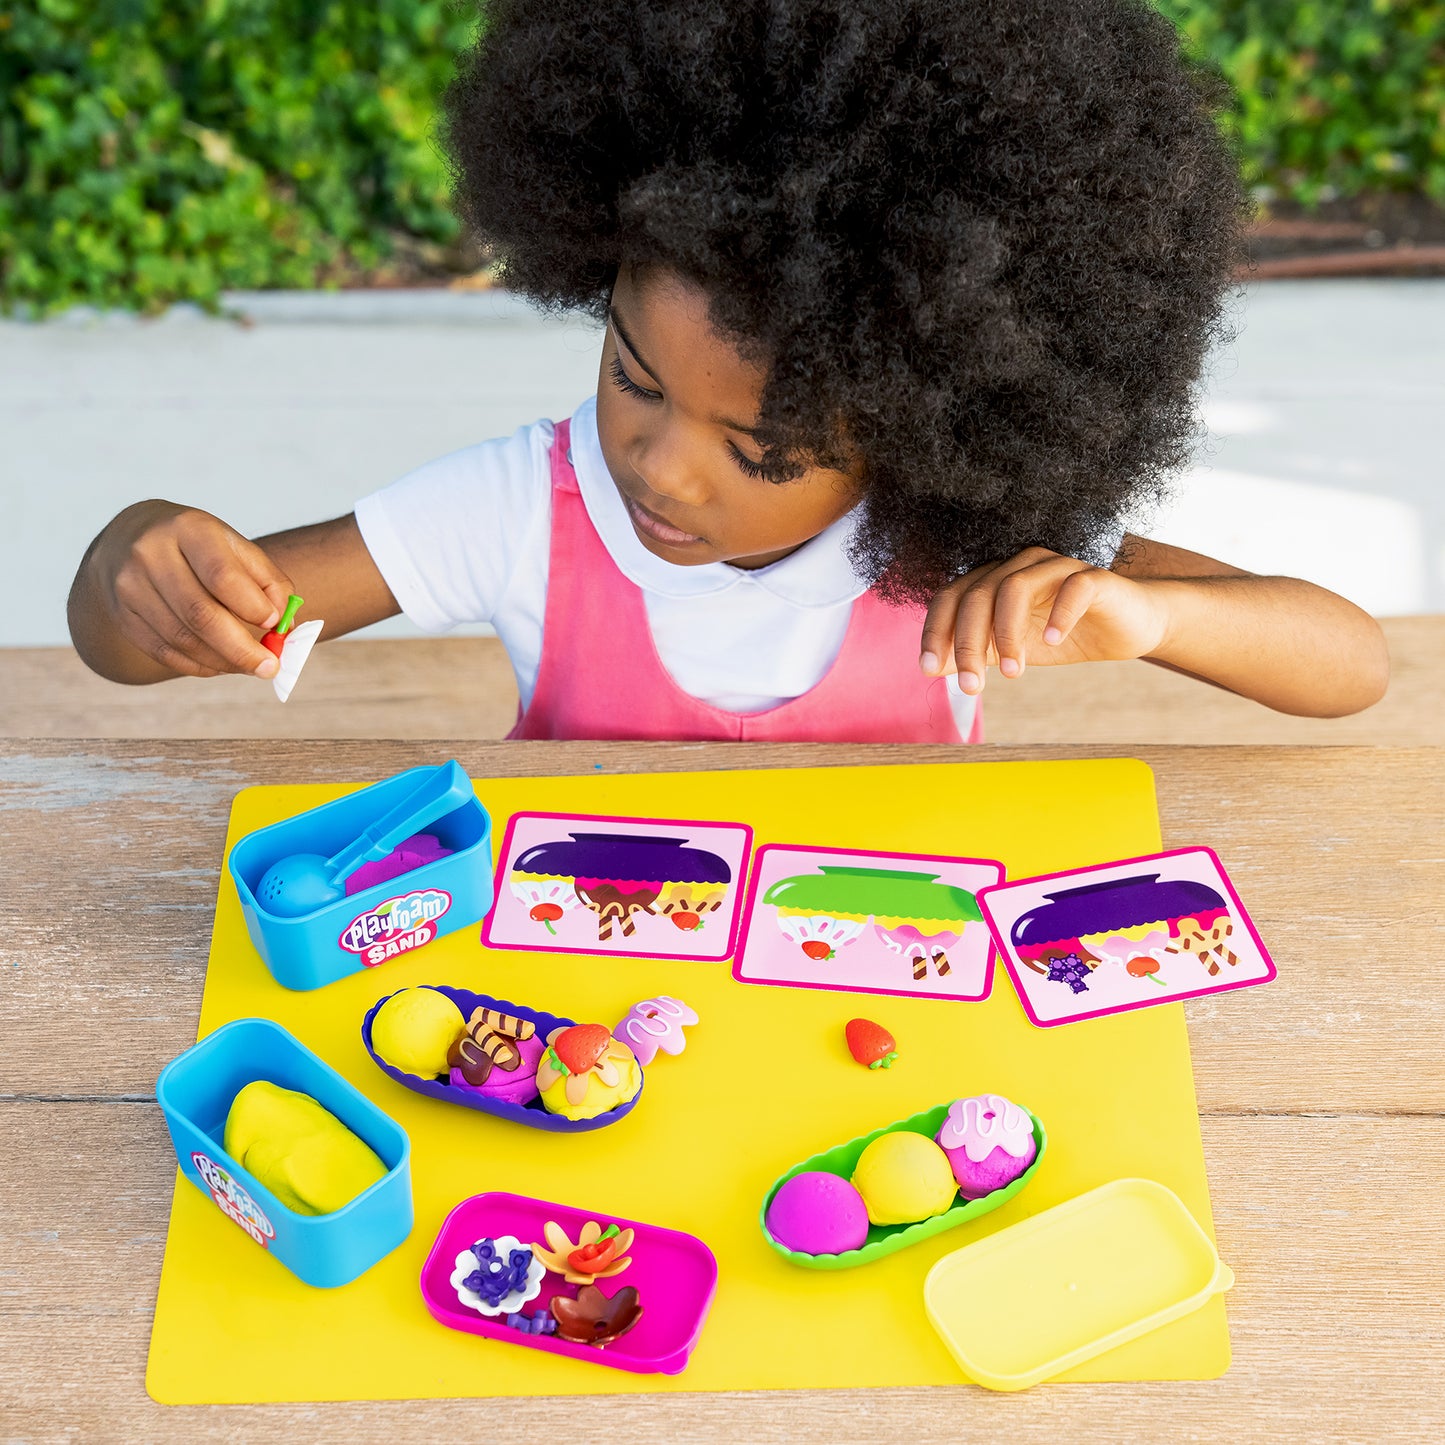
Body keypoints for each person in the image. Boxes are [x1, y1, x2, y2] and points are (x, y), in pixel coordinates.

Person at [68, 0, 1388, 740]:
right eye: (633, 375)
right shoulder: (522, 512)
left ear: (928, 428)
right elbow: (142, 642)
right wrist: (142, 560)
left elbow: (1347, 666)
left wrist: (1152, 618)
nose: (657, 465)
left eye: (760, 450)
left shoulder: (969, 535)